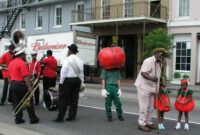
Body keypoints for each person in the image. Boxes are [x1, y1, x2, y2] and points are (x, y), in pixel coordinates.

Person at [135, 48, 168, 132]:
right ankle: (142, 123)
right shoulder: (148, 61)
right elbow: (143, 73)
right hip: (144, 87)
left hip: (152, 88)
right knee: (144, 107)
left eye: (163, 55)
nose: (162, 56)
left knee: (150, 107)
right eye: (161, 54)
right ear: (157, 54)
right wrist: (152, 78)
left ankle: (148, 122)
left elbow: (159, 76)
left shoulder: (158, 64)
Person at [53, 44, 84, 123]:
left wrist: (61, 82)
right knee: (74, 99)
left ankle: (60, 118)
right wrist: (82, 82)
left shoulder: (67, 59)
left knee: (63, 99)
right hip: (77, 81)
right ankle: (72, 116)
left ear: (70, 51)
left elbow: (64, 72)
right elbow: (81, 73)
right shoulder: (80, 60)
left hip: (68, 81)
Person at [8, 48, 39, 124]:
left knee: (16, 102)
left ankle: (18, 119)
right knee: (28, 101)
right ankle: (33, 118)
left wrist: (11, 85)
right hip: (21, 84)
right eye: (24, 55)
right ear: (21, 55)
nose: (25, 56)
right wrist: (29, 86)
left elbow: (9, 76)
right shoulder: (22, 63)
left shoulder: (11, 63)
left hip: (13, 84)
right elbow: (25, 77)